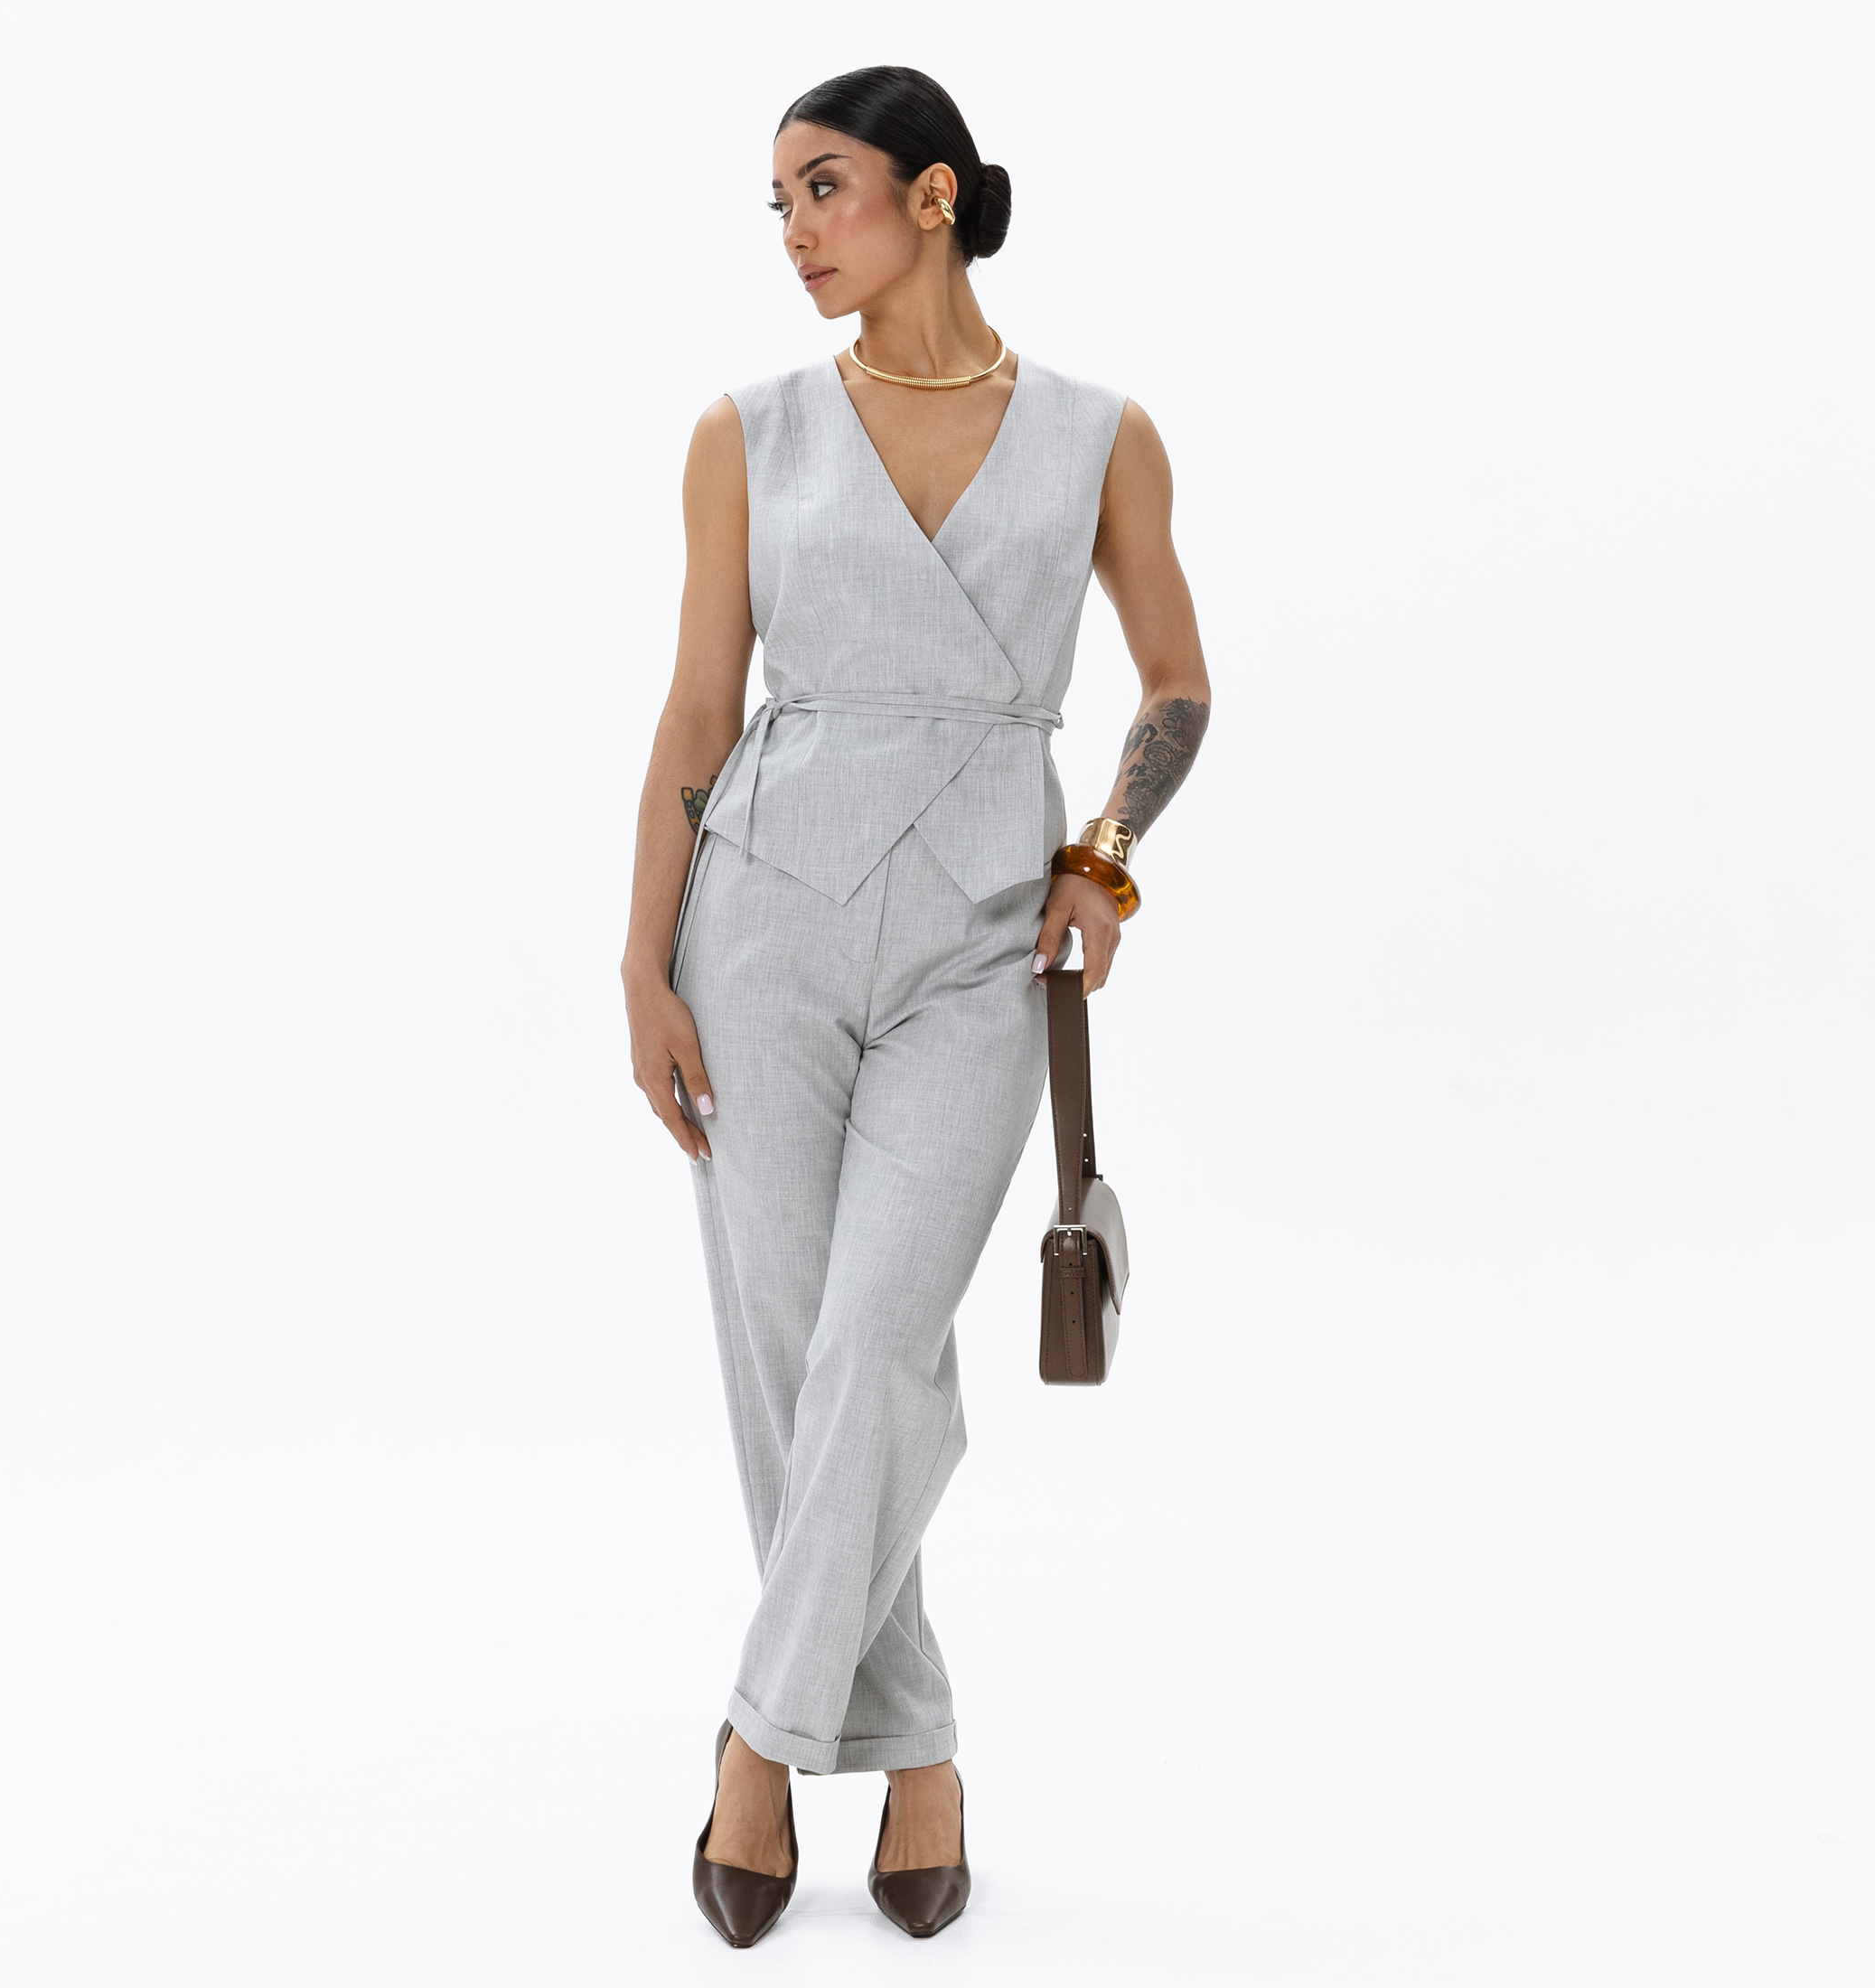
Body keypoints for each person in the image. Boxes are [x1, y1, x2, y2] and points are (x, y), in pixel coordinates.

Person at [620, 65, 1210, 1947]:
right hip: (758, 929)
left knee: (878, 1341)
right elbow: (698, 712)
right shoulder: (746, 433)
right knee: (796, 1356)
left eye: (825, 187)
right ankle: (921, 1748)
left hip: (978, 938)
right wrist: (641, 962)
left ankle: (757, 1742)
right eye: (777, 202)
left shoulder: (1101, 434)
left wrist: (1102, 856)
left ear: (932, 193)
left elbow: (1177, 681)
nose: (794, 229)